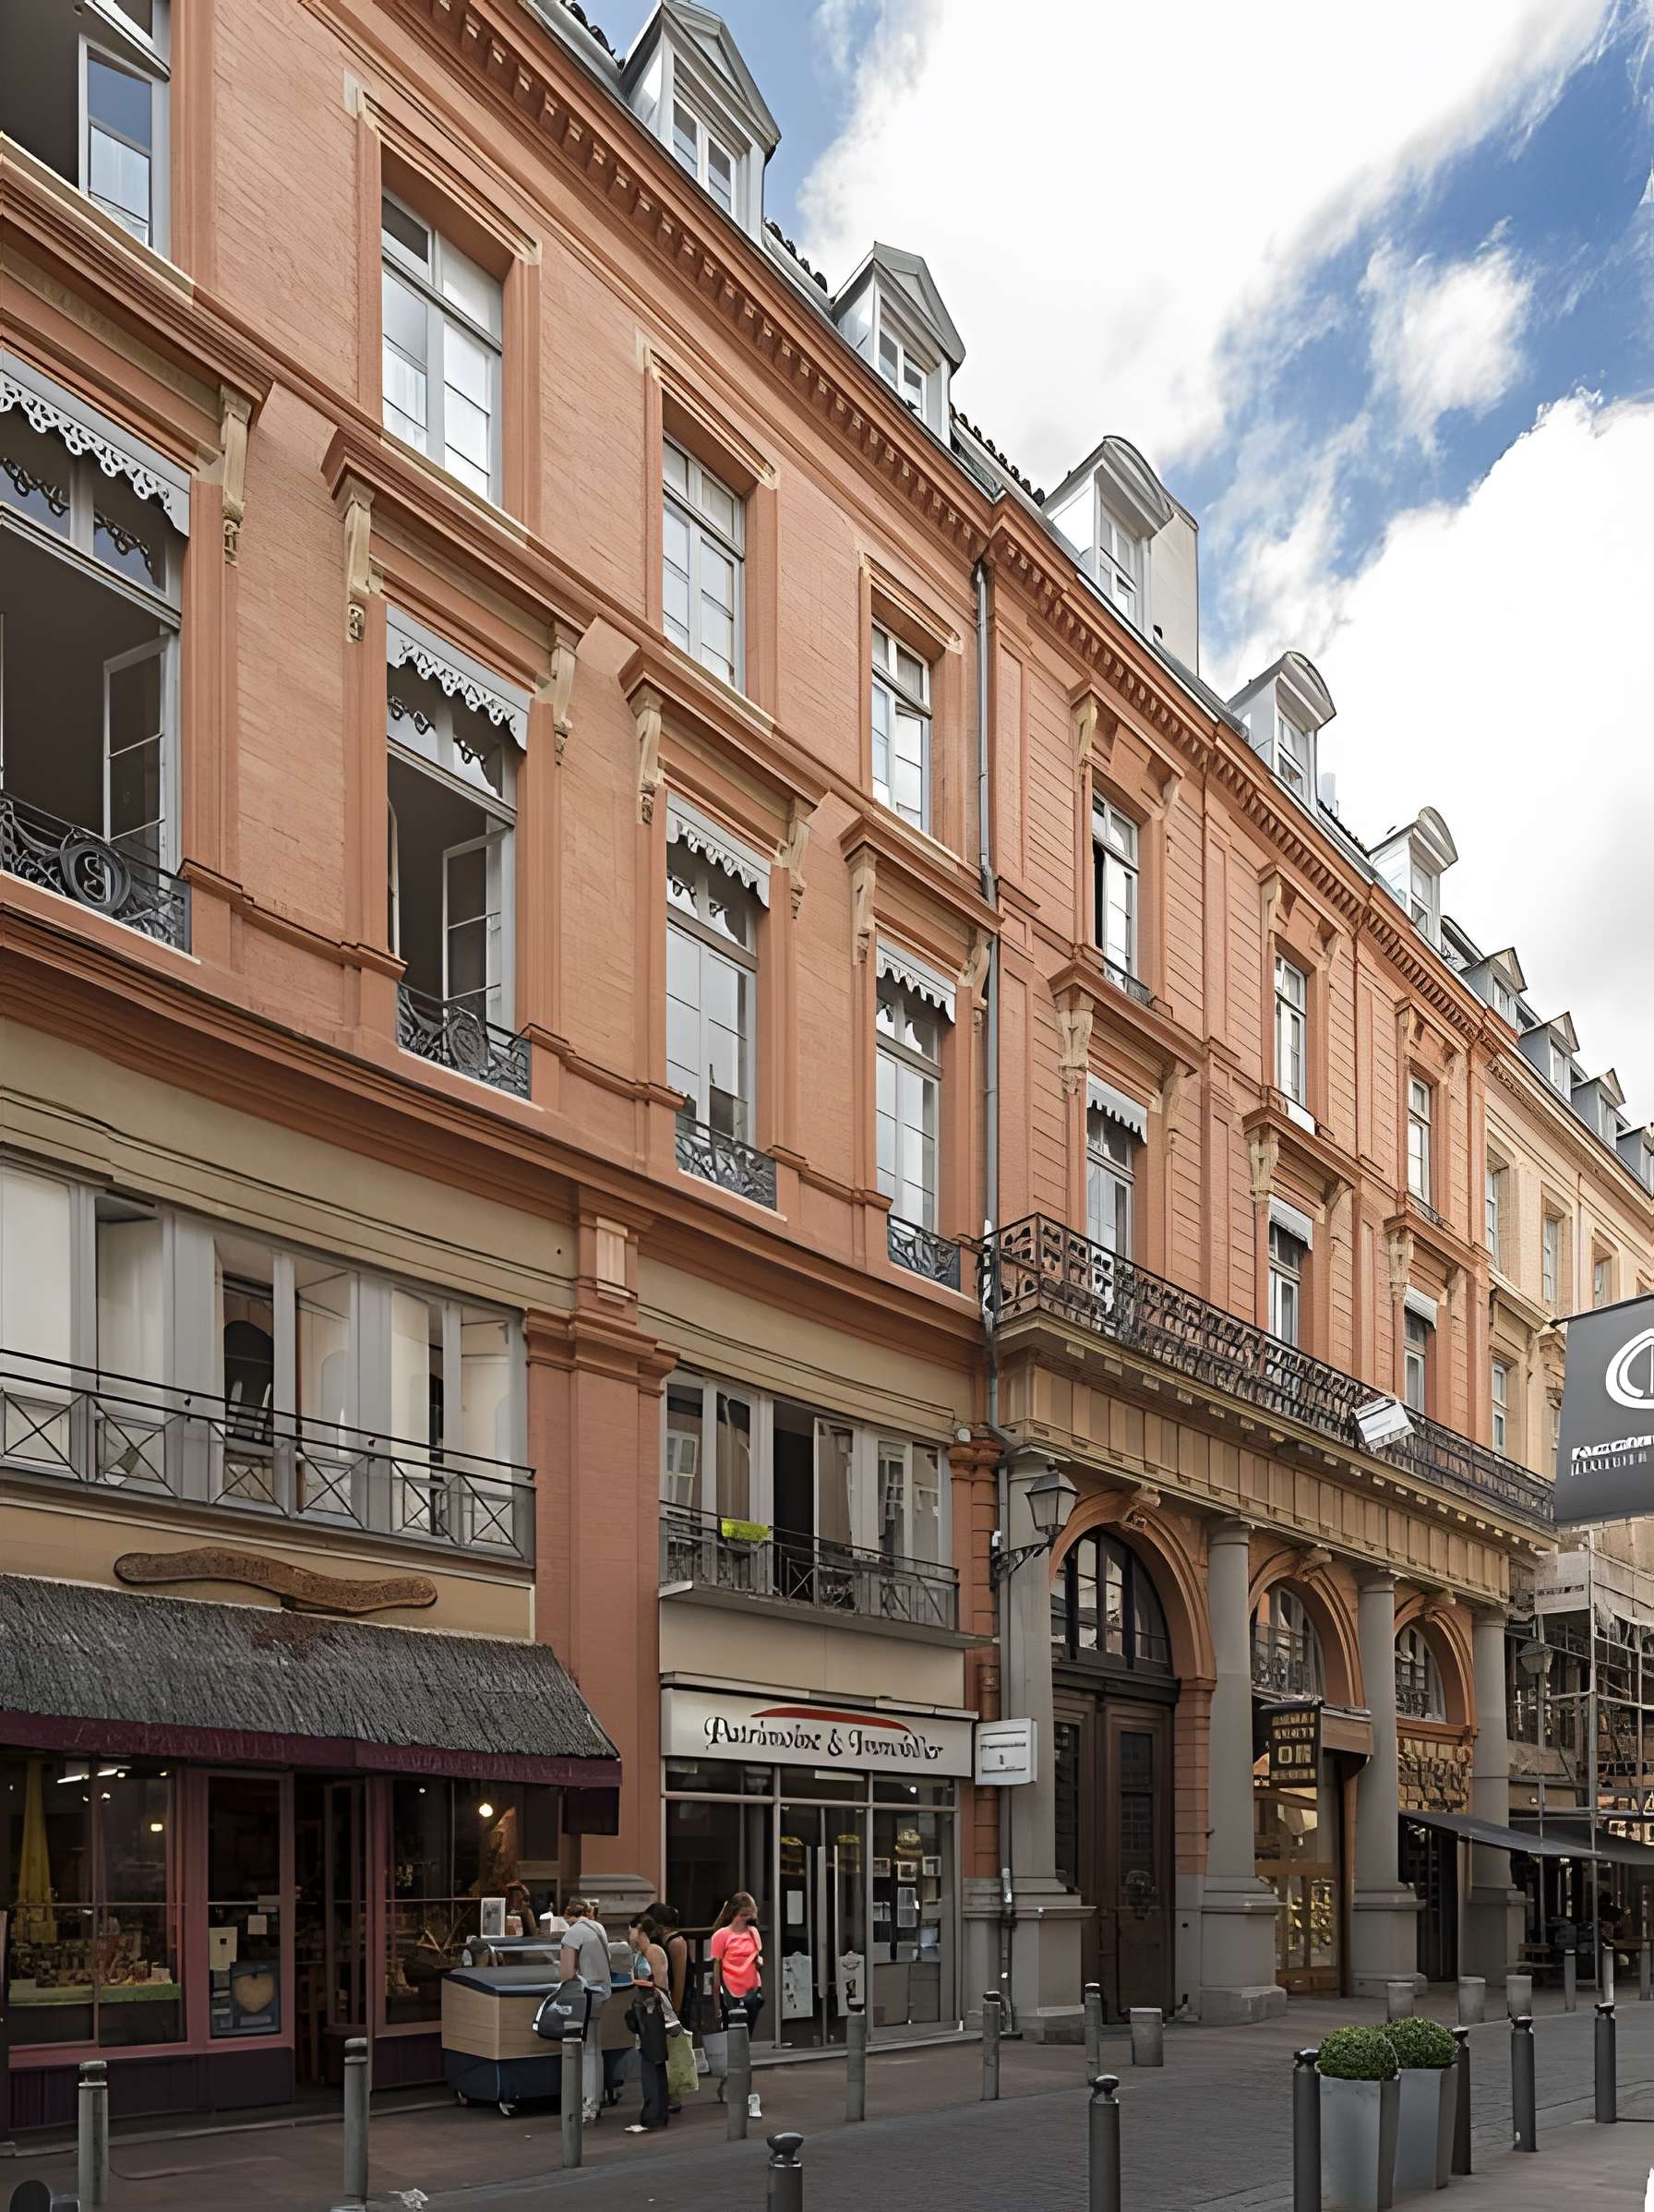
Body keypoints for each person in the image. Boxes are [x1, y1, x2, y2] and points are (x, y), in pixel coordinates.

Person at [709, 1891, 763, 2122]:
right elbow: (716, 1970)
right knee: (736, 2044)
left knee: (745, 2045)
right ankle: (737, 2088)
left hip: (751, 1991)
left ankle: (737, 2087)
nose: (746, 1920)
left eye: (750, 1917)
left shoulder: (753, 1933)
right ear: (734, 1914)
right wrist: (716, 2002)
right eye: (743, 1915)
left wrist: (758, 1963)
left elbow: (759, 1959)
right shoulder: (721, 1935)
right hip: (730, 1992)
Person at [558, 1895, 612, 2123]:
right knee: (596, 2048)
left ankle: (588, 2104)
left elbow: (567, 1973)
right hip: (603, 1991)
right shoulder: (598, 1927)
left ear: (568, 1916)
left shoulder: (572, 1934)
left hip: (586, 1995)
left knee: (587, 2050)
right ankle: (597, 2099)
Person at [623, 1958, 671, 2134]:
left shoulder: (647, 1957)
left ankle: (652, 2115)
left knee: (650, 2071)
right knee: (658, 2070)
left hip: (650, 2035)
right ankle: (659, 2113)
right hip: (656, 2033)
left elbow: (640, 2024)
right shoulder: (655, 1994)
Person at [647, 1899, 690, 2021]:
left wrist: (675, 2013)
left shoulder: (676, 1942)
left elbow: (679, 1980)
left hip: (682, 2003)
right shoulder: (662, 1941)